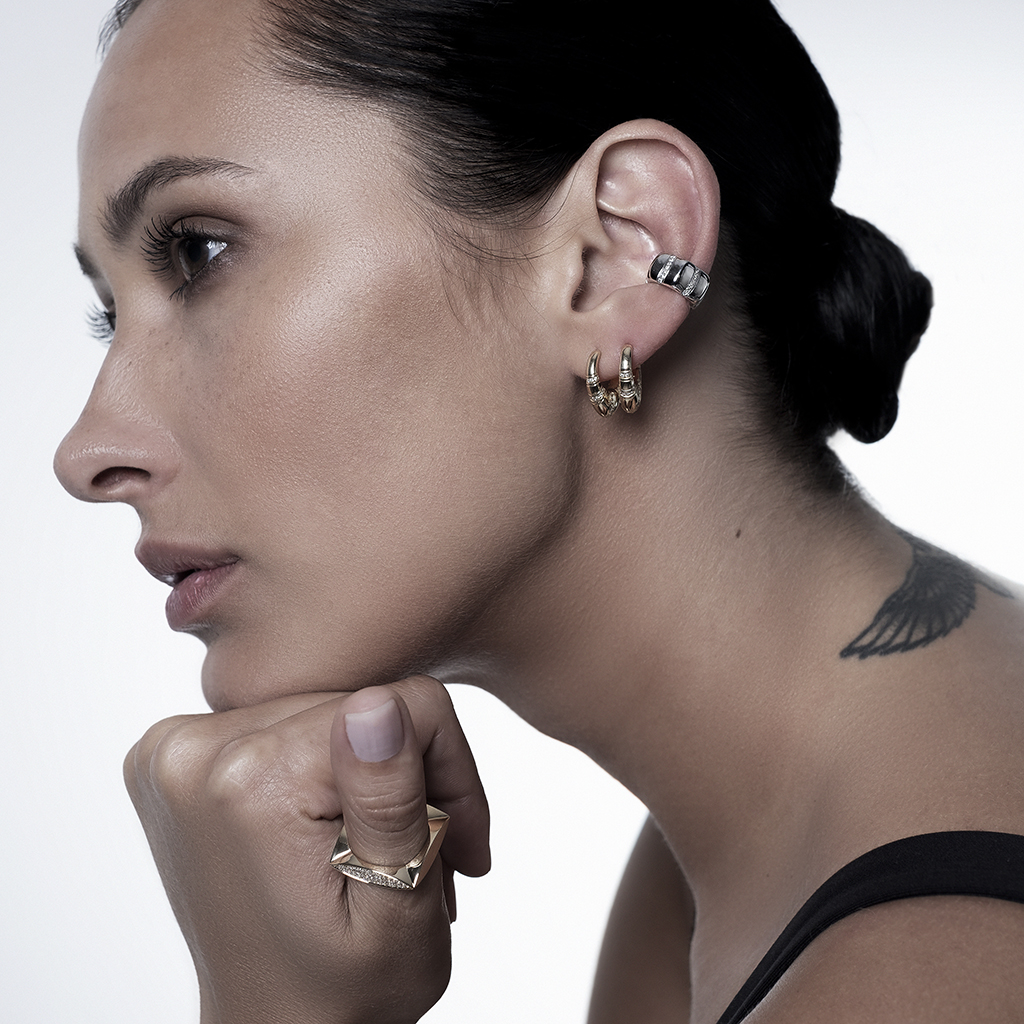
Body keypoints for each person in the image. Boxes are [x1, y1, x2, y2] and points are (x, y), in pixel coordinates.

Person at [53, 0, 1024, 1021]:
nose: (89, 452)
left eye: (199, 252)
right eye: (111, 315)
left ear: (616, 256)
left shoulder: (932, 963)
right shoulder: (736, 845)